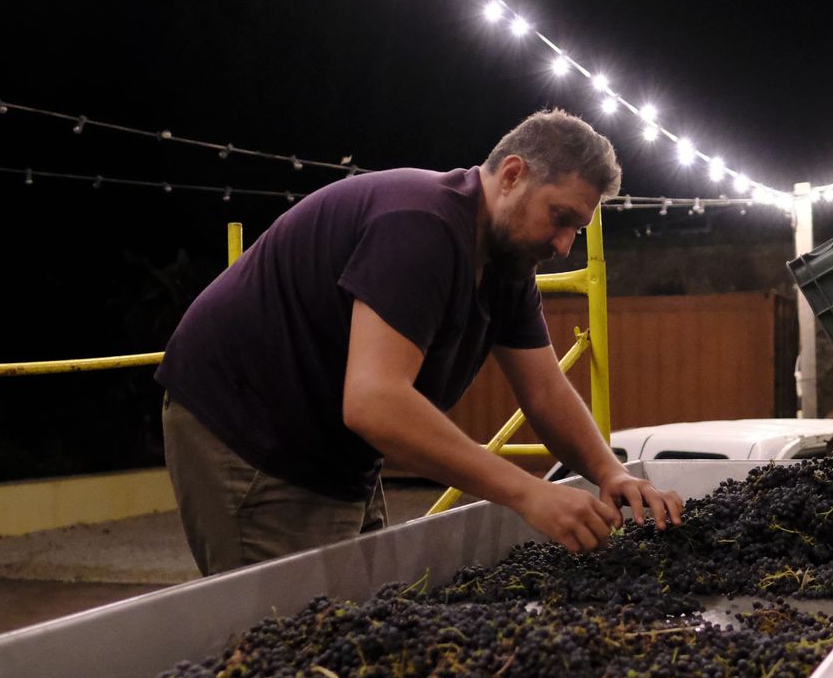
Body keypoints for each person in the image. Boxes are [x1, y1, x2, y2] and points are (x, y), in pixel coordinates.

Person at [156, 109, 683, 576]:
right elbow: (375, 403)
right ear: (513, 176)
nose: (565, 245)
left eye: (577, 228)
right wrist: (528, 493)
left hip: (336, 451)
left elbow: (545, 392)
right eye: (560, 218)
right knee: (291, 651)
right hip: (250, 430)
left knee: (363, 621)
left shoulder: (506, 267)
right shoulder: (420, 225)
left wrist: (609, 471)